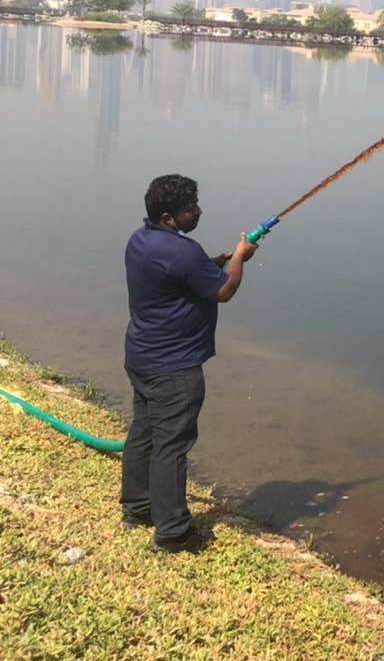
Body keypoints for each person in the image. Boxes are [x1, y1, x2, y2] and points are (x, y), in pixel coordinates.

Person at [120, 174, 257, 553]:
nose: (198, 212)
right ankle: (172, 533)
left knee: (144, 433)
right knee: (171, 446)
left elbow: (181, 273)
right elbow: (223, 290)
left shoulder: (141, 240)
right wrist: (240, 260)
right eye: (189, 208)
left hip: (142, 357)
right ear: (168, 217)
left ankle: (137, 509)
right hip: (174, 367)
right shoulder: (183, 251)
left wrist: (222, 260)